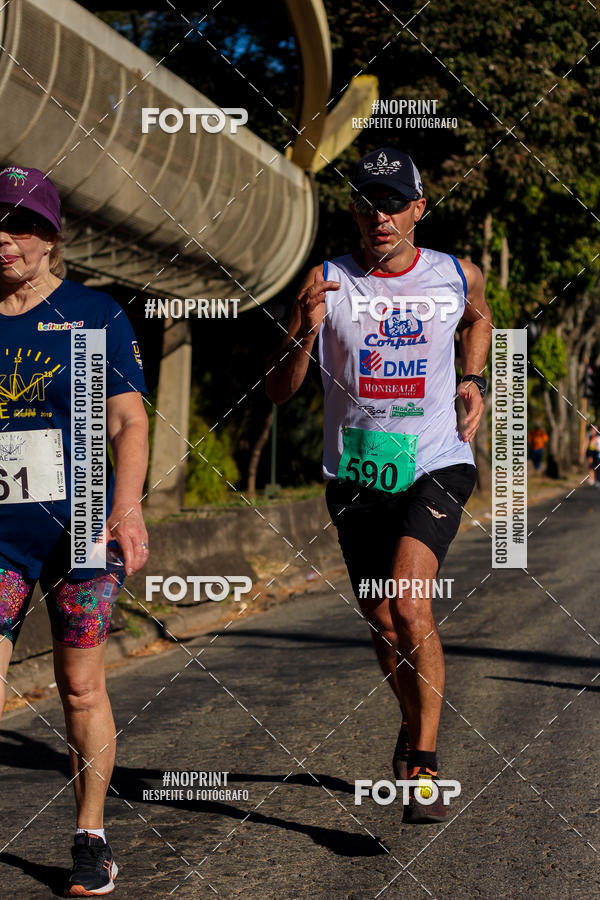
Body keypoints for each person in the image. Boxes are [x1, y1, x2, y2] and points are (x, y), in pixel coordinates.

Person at [266, 147, 492, 823]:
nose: (380, 216)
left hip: (437, 463)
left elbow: (479, 320)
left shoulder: (456, 274)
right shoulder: (327, 280)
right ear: (354, 212)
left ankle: (422, 763)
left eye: (394, 202)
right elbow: (280, 391)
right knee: (382, 620)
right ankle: (409, 719)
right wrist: (303, 333)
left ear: (419, 208)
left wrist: (474, 379)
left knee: (409, 602)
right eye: (367, 203)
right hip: (358, 471)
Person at [0, 166, 149, 894]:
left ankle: (90, 834)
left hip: (83, 525)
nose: (6, 239)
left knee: (80, 687)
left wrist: (128, 506)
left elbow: (127, 419)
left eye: (22, 225)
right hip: (1, 534)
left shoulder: (92, 317)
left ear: (51, 238)